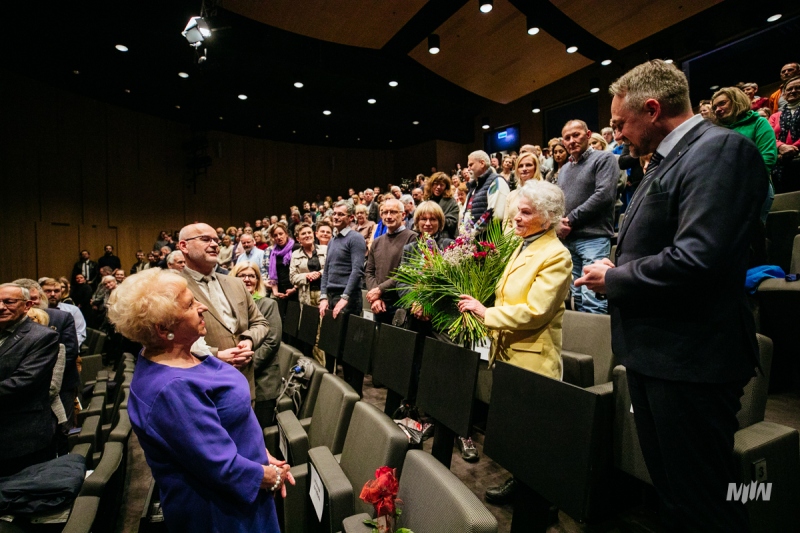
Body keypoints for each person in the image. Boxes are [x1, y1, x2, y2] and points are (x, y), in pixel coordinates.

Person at [577, 59, 766, 531]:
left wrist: (615, 278)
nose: (617, 133)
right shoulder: (668, 159)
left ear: (653, 108)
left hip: (692, 361)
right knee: (675, 497)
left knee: (708, 501)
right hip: (657, 357)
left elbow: (700, 259)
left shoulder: (720, 151)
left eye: (621, 122)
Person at [106, 268, 292, 532]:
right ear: (163, 328)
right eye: (190, 304)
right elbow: (220, 465)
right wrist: (273, 476)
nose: (202, 307)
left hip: (242, 490)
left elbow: (225, 422)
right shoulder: (172, 389)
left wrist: (260, 453)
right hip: (221, 512)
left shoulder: (183, 355)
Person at [458, 180, 572, 510]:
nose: (517, 218)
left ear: (548, 217)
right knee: (519, 431)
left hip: (534, 357)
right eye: (515, 211)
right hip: (509, 352)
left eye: (526, 212)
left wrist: (486, 313)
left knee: (534, 435)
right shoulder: (523, 245)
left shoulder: (555, 255)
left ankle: (541, 503)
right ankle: (522, 482)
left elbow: (535, 311)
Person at [177, 223, 270, 402]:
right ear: (183, 246)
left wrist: (249, 340)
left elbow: (260, 323)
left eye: (216, 240)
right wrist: (215, 355)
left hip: (245, 383)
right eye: (205, 239)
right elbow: (172, 339)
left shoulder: (235, 283)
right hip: (203, 388)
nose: (214, 244)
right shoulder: (173, 286)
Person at [0, 283, 59, 476]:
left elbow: (23, 383)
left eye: (8, 302)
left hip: (20, 436)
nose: (1, 307)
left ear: (27, 306)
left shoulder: (42, 337)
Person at [712, 86, 778, 220]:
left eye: (722, 103)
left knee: (753, 237)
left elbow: (768, 157)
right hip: (724, 192)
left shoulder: (759, 123)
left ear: (737, 101)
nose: (717, 109)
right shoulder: (714, 131)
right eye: (714, 107)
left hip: (754, 189)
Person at [229, 263, 282, 427]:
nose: (247, 279)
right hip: (236, 380)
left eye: (252, 276)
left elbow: (271, 342)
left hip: (262, 381)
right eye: (242, 275)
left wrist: (245, 368)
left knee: (260, 434)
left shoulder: (268, 304)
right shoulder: (228, 307)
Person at [365, 198, 417, 324]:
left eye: (393, 212)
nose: (388, 216)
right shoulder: (377, 241)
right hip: (379, 304)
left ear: (403, 215)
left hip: (400, 304)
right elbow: (369, 272)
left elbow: (405, 273)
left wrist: (380, 290)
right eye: (385, 212)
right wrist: (375, 298)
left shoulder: (412, 238)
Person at [290, 223, 327, 365]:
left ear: (313, 234)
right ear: (298, 239)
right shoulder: (295, 255)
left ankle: (329, 371)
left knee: (324, 332)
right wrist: (307, 276)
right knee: (313, 334)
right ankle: (318, 369)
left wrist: (319, 273)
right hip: (306, 296)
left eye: (309, 232)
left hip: (324, 295)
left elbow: (330, 269)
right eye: (303, 234)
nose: (307, 235)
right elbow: (292, 277)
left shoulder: (325, 249)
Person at [769, 75, 800, 193]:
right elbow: (769, 137)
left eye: (798, 88)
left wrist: (792, 149)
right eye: (790, 89)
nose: (793, 91)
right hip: (781, 162)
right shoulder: (775, 116)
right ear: (783, 93)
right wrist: (781, 147)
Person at [463, 150, 510, 224]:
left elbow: (496, 215)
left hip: (489, 235)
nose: (468, 169)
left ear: (482, 163)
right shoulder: (474, 185)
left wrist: (473, 231)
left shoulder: (497, 181)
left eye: (471, 165)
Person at [502, 151, 542, 229]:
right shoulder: (511, 195)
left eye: (528, 165)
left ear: (535, 168)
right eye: (520, 166)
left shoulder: (544, 192)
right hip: (512, 239)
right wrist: (511, 240)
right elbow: (506, 223)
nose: (524, 169)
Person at [423, 172, 460, 239]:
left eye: (442, 185)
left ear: (446, 187)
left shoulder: (451, 202)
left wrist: (435, 219)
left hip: (445, 238)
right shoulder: (426, 200)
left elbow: (452, 223)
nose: (438, 187)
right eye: (436, 184)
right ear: (431, 184)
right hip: (427, 238)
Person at [267, 224, 297, 301]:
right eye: (275, 235)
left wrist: (294, 289)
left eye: (281, 234)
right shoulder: (273, 253)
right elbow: (273, 275)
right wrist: (275, 292)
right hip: (280, 291)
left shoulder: (296, 248)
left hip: (295, 290)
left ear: (286, 234)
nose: (279, 237)